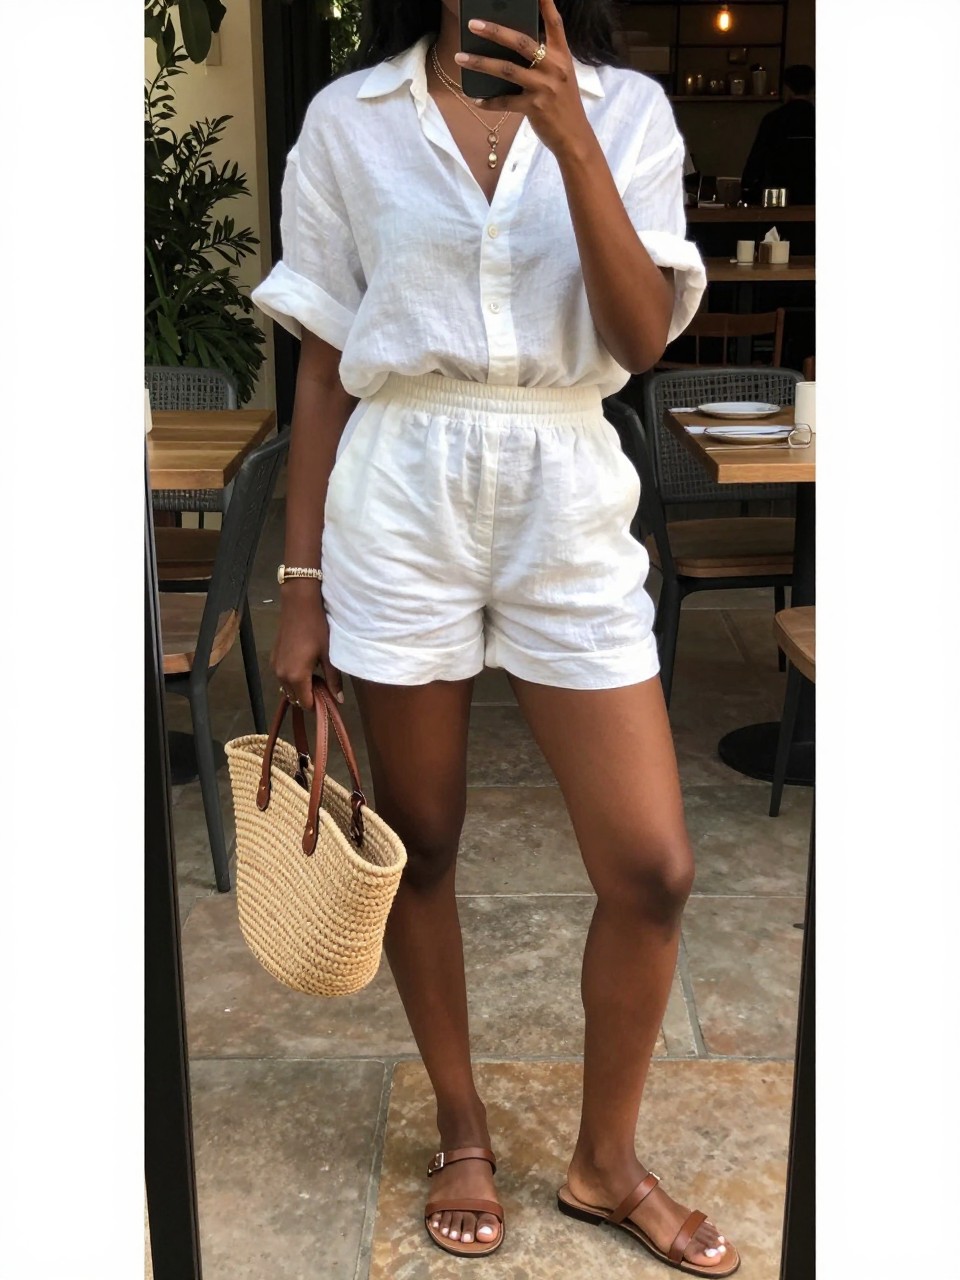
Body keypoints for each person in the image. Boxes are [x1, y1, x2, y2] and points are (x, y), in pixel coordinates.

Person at [252, 1, 738, 1272]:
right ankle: (462, 1126)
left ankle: (605, 1158)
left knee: (652, 865)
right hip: (399, 480)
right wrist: (299, 582)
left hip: (566, 482)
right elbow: (317, 364)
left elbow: (638, 340)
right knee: (421, 843)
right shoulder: (348, 119)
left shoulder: (628, 112)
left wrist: (570, 136)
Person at [742, 63, 815, 205]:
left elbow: (757, 159)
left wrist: (747, 189)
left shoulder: (774, 119)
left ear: (787, 88)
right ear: (812, 88)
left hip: (779, 197)